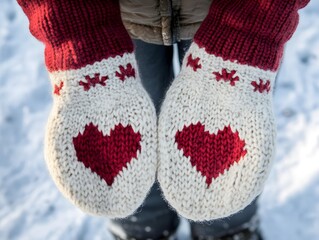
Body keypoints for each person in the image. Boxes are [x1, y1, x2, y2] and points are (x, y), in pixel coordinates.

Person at [16, 0, 309, 239]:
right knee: (125, 155)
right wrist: (75, 28)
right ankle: (140, 230)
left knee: (232, 154)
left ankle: (227, 229)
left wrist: (254, 27)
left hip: (242, 11)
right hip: (112, 13)